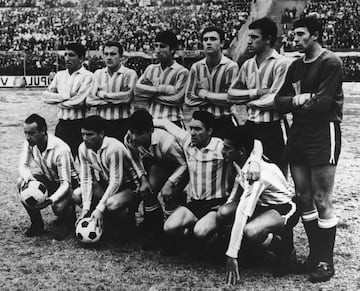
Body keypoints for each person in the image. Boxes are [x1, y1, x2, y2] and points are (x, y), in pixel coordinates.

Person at [274, 17, 343, 283]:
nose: (295, 38)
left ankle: (326, 260)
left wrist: (300, 103)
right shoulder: (294, 66)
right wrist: (297, 99)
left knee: (322, 197)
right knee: (303, 196)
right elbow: (279, 103)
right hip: (299, 132)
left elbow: (322, 105)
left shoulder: (331, 63)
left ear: (315, 35)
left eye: (301, 34)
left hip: (323, 132)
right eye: (294, 34)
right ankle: (314, 255)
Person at [154, 111, 262, 248]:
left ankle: (219, 238)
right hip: (194, 204)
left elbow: (256, 142)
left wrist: (255, 162)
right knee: (169, 228)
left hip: (216, 204)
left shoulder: (221, 147)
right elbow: (165, 124)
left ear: (209, 130)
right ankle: (197, 240)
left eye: (198, 129)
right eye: (191, 128)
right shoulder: (188, 142)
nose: (192, 132)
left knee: (201, 232)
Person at [216, 125, 297, 284]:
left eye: (227, 148)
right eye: (223, 147)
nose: (223, 151)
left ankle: (284, 247)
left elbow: (243, 212)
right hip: (261, 204)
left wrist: (232, 254)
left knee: (251, 231)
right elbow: (238, 187)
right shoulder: (240, 160)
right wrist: (227, 205)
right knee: (224, 212)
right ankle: (251, 250)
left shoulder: (256, 175)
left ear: (241, 151)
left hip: (283, 207)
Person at [228, 17, 291, 176]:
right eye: (249, 37)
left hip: (273, 127)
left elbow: (273, 100)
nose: (249, 41)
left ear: (268, 39)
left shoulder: (282, 63)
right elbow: (230, 94)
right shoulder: (248, 64)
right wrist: (255, 93)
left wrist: (247, 102)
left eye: (254, 37)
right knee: (249, 174)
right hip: (251, 126)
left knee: (276, 175)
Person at [124, 110, 188, 250]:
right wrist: (143, 179)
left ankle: (174, 238)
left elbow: (184, 164)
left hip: (180, 167)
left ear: (151, 131)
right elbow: (134, 159)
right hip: (160, 163)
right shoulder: (129, 138)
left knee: (169, 195)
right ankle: (154, 230)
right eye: (132, 131)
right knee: (148, 190)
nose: (134, 137)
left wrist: (170, 183)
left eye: (139, 133)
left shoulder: (167, 142)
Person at [74, 115, 140, 241]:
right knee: (77, 195)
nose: (85, 138)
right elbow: (86, 178)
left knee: (112, 204)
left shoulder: (114, 148)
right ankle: (103, 223)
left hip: (129, 186)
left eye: (90, 134)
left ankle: (128, 225)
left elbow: (117, 181)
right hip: (108, 182)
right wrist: (86, 208)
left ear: (102, 134)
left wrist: (99, 208)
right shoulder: (83, 148)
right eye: (83, 134)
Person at [17, 114, 79, 240]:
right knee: (21, 183)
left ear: (43, 130)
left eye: (32, 133)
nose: (28, 137)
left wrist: (51, 199)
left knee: (58, 207)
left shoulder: (61, 149)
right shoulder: (29, 142)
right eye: (26, 133)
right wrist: (29, 178)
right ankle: (37, 224)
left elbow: (66, 183)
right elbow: (23, 166)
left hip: (69, 184)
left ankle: (68, 219)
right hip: (50, 179)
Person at [43, 43, 95, 158]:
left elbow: (79, 102)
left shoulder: (88, 76)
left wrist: (57, 101)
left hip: (80, 125)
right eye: (65, 54)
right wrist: (65, 96)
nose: (67, 58)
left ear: (81, 58)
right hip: (62, 125)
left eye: (71, 55)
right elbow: (45, 97)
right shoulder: (59, 75)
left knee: (84, 163)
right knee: (61, 161)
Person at [185, 26, 239, 137]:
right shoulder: (196, 67)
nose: (208, 42)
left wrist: (203, 94)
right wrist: (219, 98)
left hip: (223, 121)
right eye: (205, 39)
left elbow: (231, 99)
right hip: (202, 123)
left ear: (222, 43)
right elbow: (189, 99)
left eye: (213, 39)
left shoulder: (231, 67)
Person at [134, 30, 189, 128]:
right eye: (156, 46)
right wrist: (165, 89)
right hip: (152, 120)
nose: (158, 50)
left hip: (173, 120)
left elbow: (177, 99)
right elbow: (137, 91)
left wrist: (150, 94)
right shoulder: (151, 69)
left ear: (172, 49)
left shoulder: (182, 72)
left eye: (162, 46)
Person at [87, 41, 138, 141]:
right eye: (106, 54)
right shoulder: (98, 74)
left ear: (121, 57)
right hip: (102, 124)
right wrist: (117, 98)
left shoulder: (129, 74)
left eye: (113, 54)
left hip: (123, 122)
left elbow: (127, 98)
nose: (109, 57)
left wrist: (101, 94)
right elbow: (89, 100)